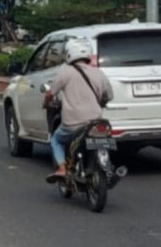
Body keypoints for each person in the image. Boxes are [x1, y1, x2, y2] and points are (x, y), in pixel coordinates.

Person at [43, 38, 114, 182]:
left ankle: (62, 169)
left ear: (69, 53)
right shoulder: (98, 73)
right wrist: (100, 103)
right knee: (103, 138)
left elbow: (50, 93)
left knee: (56, 139)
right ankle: (106, 167)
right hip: (95, 122)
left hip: (73, 124)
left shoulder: (65, 71)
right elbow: (108, 96)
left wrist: (46, 103)